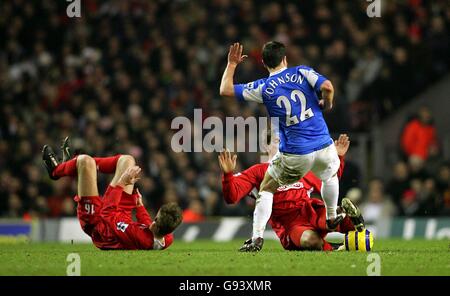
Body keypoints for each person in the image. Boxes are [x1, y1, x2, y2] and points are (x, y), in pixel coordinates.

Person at [220, 41, 340, 251]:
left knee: (267, 188)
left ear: (264, 63)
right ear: (285, 59)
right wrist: (327, 104)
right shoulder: (302, 72)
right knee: (330, 175)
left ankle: (256, 237)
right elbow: (327, 87)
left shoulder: (263, 87)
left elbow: (225, 90)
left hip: (296, 153)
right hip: (323, 144)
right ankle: (332, 216)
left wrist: (232, 64)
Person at [219, 134, 365, 251]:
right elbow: (231, 197)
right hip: (290, 225)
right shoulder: (258, 171)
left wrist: (339, 156)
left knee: (335, 219)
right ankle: (338, 247)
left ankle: (359, 230)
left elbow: (329, 179)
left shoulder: (301, 165)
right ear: (267, 147)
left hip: (309, 209)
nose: (284, 144)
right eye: (278, 140)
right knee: (311, 240)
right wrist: (228, 175)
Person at [42, 138, 182, 250]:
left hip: (101, 226)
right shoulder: (166, 238)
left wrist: (121, 183)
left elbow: (107, 213)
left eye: (155, 219)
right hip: (120, 216)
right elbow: (148, 226)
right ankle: (73, 164)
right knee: (128, 161)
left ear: (157, 221)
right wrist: (139, 206)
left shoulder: (138, 236)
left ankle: (55, 171)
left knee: (85, 161)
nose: (152, 220)